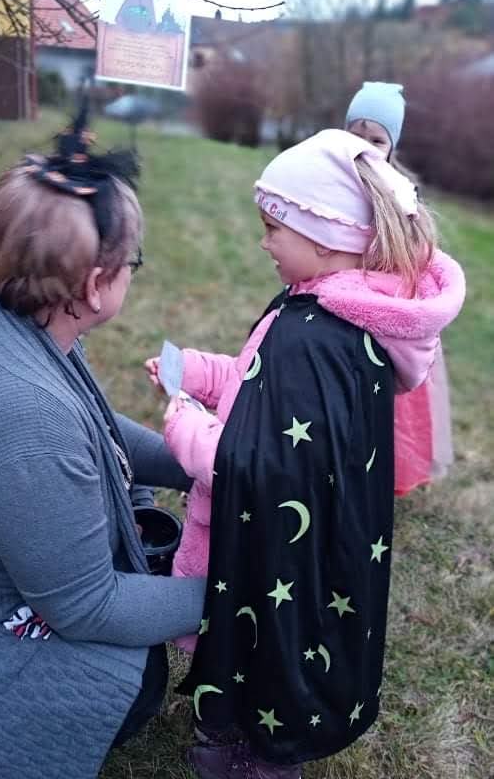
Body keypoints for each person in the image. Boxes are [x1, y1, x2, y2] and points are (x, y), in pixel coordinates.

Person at [0, 110, 206, 779]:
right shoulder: (24, 417)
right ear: (93, 285)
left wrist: (202, 462)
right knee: (130, 675)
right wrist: (231, 589)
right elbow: (86, 605)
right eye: (132, 264)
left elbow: (96, 425)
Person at [146, 130, 465, 778]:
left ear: (324, 238)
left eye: (273, 229)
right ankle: (243, 730)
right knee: (280, 640)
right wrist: (203, 373)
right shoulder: (336, 314)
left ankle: (258, 754)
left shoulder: (312, 339)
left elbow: (254, 466)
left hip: (276, 556)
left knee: (269, 645)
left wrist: (182, 421)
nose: (264, 243)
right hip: (311, 546)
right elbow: (257, 384)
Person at [345, 80, 455, 494]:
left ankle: (379, 470)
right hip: (343, 293)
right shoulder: (331, 177)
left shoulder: (401, 192)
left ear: (392, 146)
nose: (366, 147)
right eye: (356, 135)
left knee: (384, 396)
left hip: (384, 304)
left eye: (377, 140)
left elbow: (411, 249)